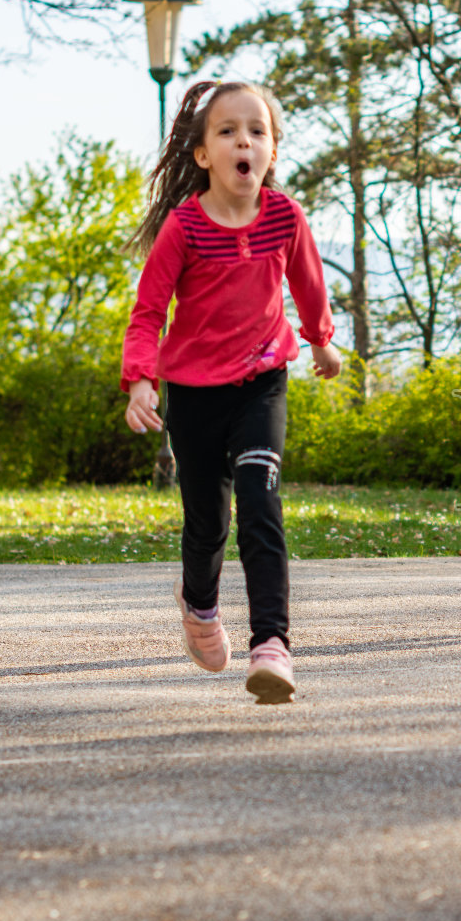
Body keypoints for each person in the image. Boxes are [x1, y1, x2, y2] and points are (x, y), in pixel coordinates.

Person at [121, 80, 341, 704]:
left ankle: (271, 645)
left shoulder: (284, 217)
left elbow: (308, 285)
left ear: (271, 151)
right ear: (203, 155)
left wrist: (320, 341)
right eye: (227, 131)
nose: (244, 140)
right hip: (194, 395)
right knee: (208, 523)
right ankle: (199, 603)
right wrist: (141, 380)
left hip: (262, 384)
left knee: (261, 505)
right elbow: (148, 312)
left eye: (257, 131)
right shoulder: (185, 227)